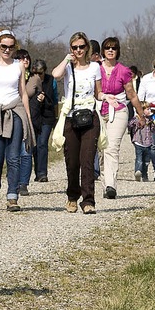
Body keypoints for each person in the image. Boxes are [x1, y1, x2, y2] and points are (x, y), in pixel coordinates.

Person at [0, 29, 34, 212]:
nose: (7, 50)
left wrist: (27, 117)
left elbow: (23, 92)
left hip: (15, 111)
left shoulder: (19, 65)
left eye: (11, 47)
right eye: (4, 46)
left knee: (14, 157)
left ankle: (12, 195)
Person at [51, 32, 102, 214]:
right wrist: (66, 60)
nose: (78, 50)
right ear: (71, 49)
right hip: (71, 117)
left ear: (87, 47)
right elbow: (55, 75)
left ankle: (88, 201)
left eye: (81, 46)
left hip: (89, 117)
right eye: (75, 47)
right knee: (72, 161)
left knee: (87, 159)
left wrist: (108, 98)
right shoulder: (68, 67)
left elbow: (98, 92)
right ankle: (72, 196)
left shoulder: (95, 67)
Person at [98, 37, 144, 199]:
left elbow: (131, 94)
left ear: (118, 51)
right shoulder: (96, 69)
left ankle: (111, 185)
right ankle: (105, 183)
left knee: (112, 147)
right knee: (102, 149)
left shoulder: (124, 71)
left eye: (114, 48)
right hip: (98, 110)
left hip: (118, 110)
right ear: (103, 51)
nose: (110, 50)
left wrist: (140, 114)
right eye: (107, 48)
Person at [27, 59, 57, 183]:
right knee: (34, 145)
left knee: (42, 143)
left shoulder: (51, 80)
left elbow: (55, 99)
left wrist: (56, 117)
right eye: (36, 73)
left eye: (41, 73)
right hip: (34, 115)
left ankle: (42, 172)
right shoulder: (29, 80)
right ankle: (37, 172)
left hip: (47, 115)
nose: (38, 76)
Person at [15, 49, 33, 196]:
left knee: (26, 151)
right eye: (21, 58)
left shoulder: (34, 77)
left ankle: (23, 184)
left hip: (30, 117)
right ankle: (13, 183)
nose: (25, 61)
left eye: (26, 58)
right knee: (13, 153)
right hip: (13, 116)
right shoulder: (11, 75)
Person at [128, 101, 155, 181]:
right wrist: (138, 119)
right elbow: (129, 125)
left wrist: (153, 120)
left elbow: (154, 128)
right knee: (139, 159)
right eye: (147, 109)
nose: (149, 111)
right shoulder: (136, 119)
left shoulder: (150, 119)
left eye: (149, 109)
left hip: (148, 143)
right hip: (138, 142)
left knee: (146, 161)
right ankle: (138, 171)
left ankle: (145, 174)